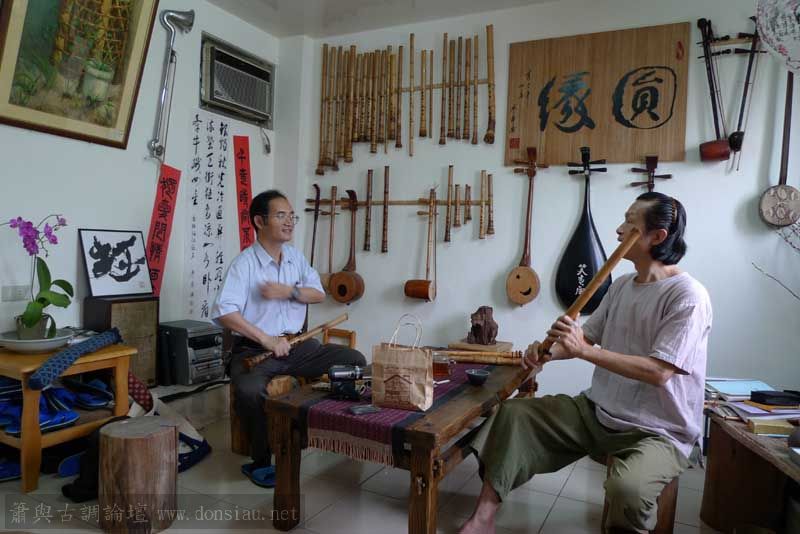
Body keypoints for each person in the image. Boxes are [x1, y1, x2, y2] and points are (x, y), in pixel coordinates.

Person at [459, 192, 712, 534]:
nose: (619, 230)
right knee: (515, 415)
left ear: (657, 236)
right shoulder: (622, 286)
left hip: (658, 430)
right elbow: (586, 339)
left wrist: (583, 350)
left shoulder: (688, 296)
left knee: (628, 490)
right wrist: (546, 354)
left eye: (630, 223)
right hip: (599, 412)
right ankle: (483, 518)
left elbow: (659, 372)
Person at [212, 190, 366, 488]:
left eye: (291, 216)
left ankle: (318, 430)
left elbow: (319, 294)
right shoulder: (244, 264)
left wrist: (288, 291)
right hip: (255, 351)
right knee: (248, 390)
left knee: (353, 360)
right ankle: (261, 459)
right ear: (260, 221)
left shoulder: (295, 257)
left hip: (298, 345)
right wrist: (267, 340)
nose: (289, 222)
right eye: (281, 215)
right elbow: (224, 312)